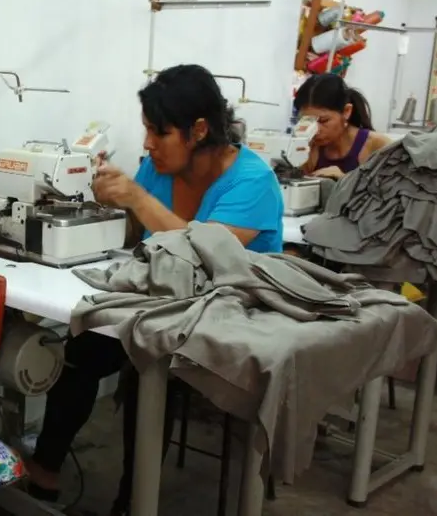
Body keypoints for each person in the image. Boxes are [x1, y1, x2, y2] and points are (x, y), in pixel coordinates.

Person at [24, 64, 284, 515]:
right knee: (82, 345)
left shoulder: (252, 181)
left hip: (234, 314)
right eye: (146, 131)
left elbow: (204, 254)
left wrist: (136, 199)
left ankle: (132, 501)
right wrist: (100, 204)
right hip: (164, 301)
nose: (146, 144)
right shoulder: (159, 170)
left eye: (157, 133)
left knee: (152, 366)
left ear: (199, 129)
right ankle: (45, 468)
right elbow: (134, 238)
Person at [294, 73, 393, 180]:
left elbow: (393, 193)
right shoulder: (310, 148)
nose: (316, 130)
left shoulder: (379, 146)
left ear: (346, 111)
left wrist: (345, 180)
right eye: (308, 121)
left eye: (323, 121)